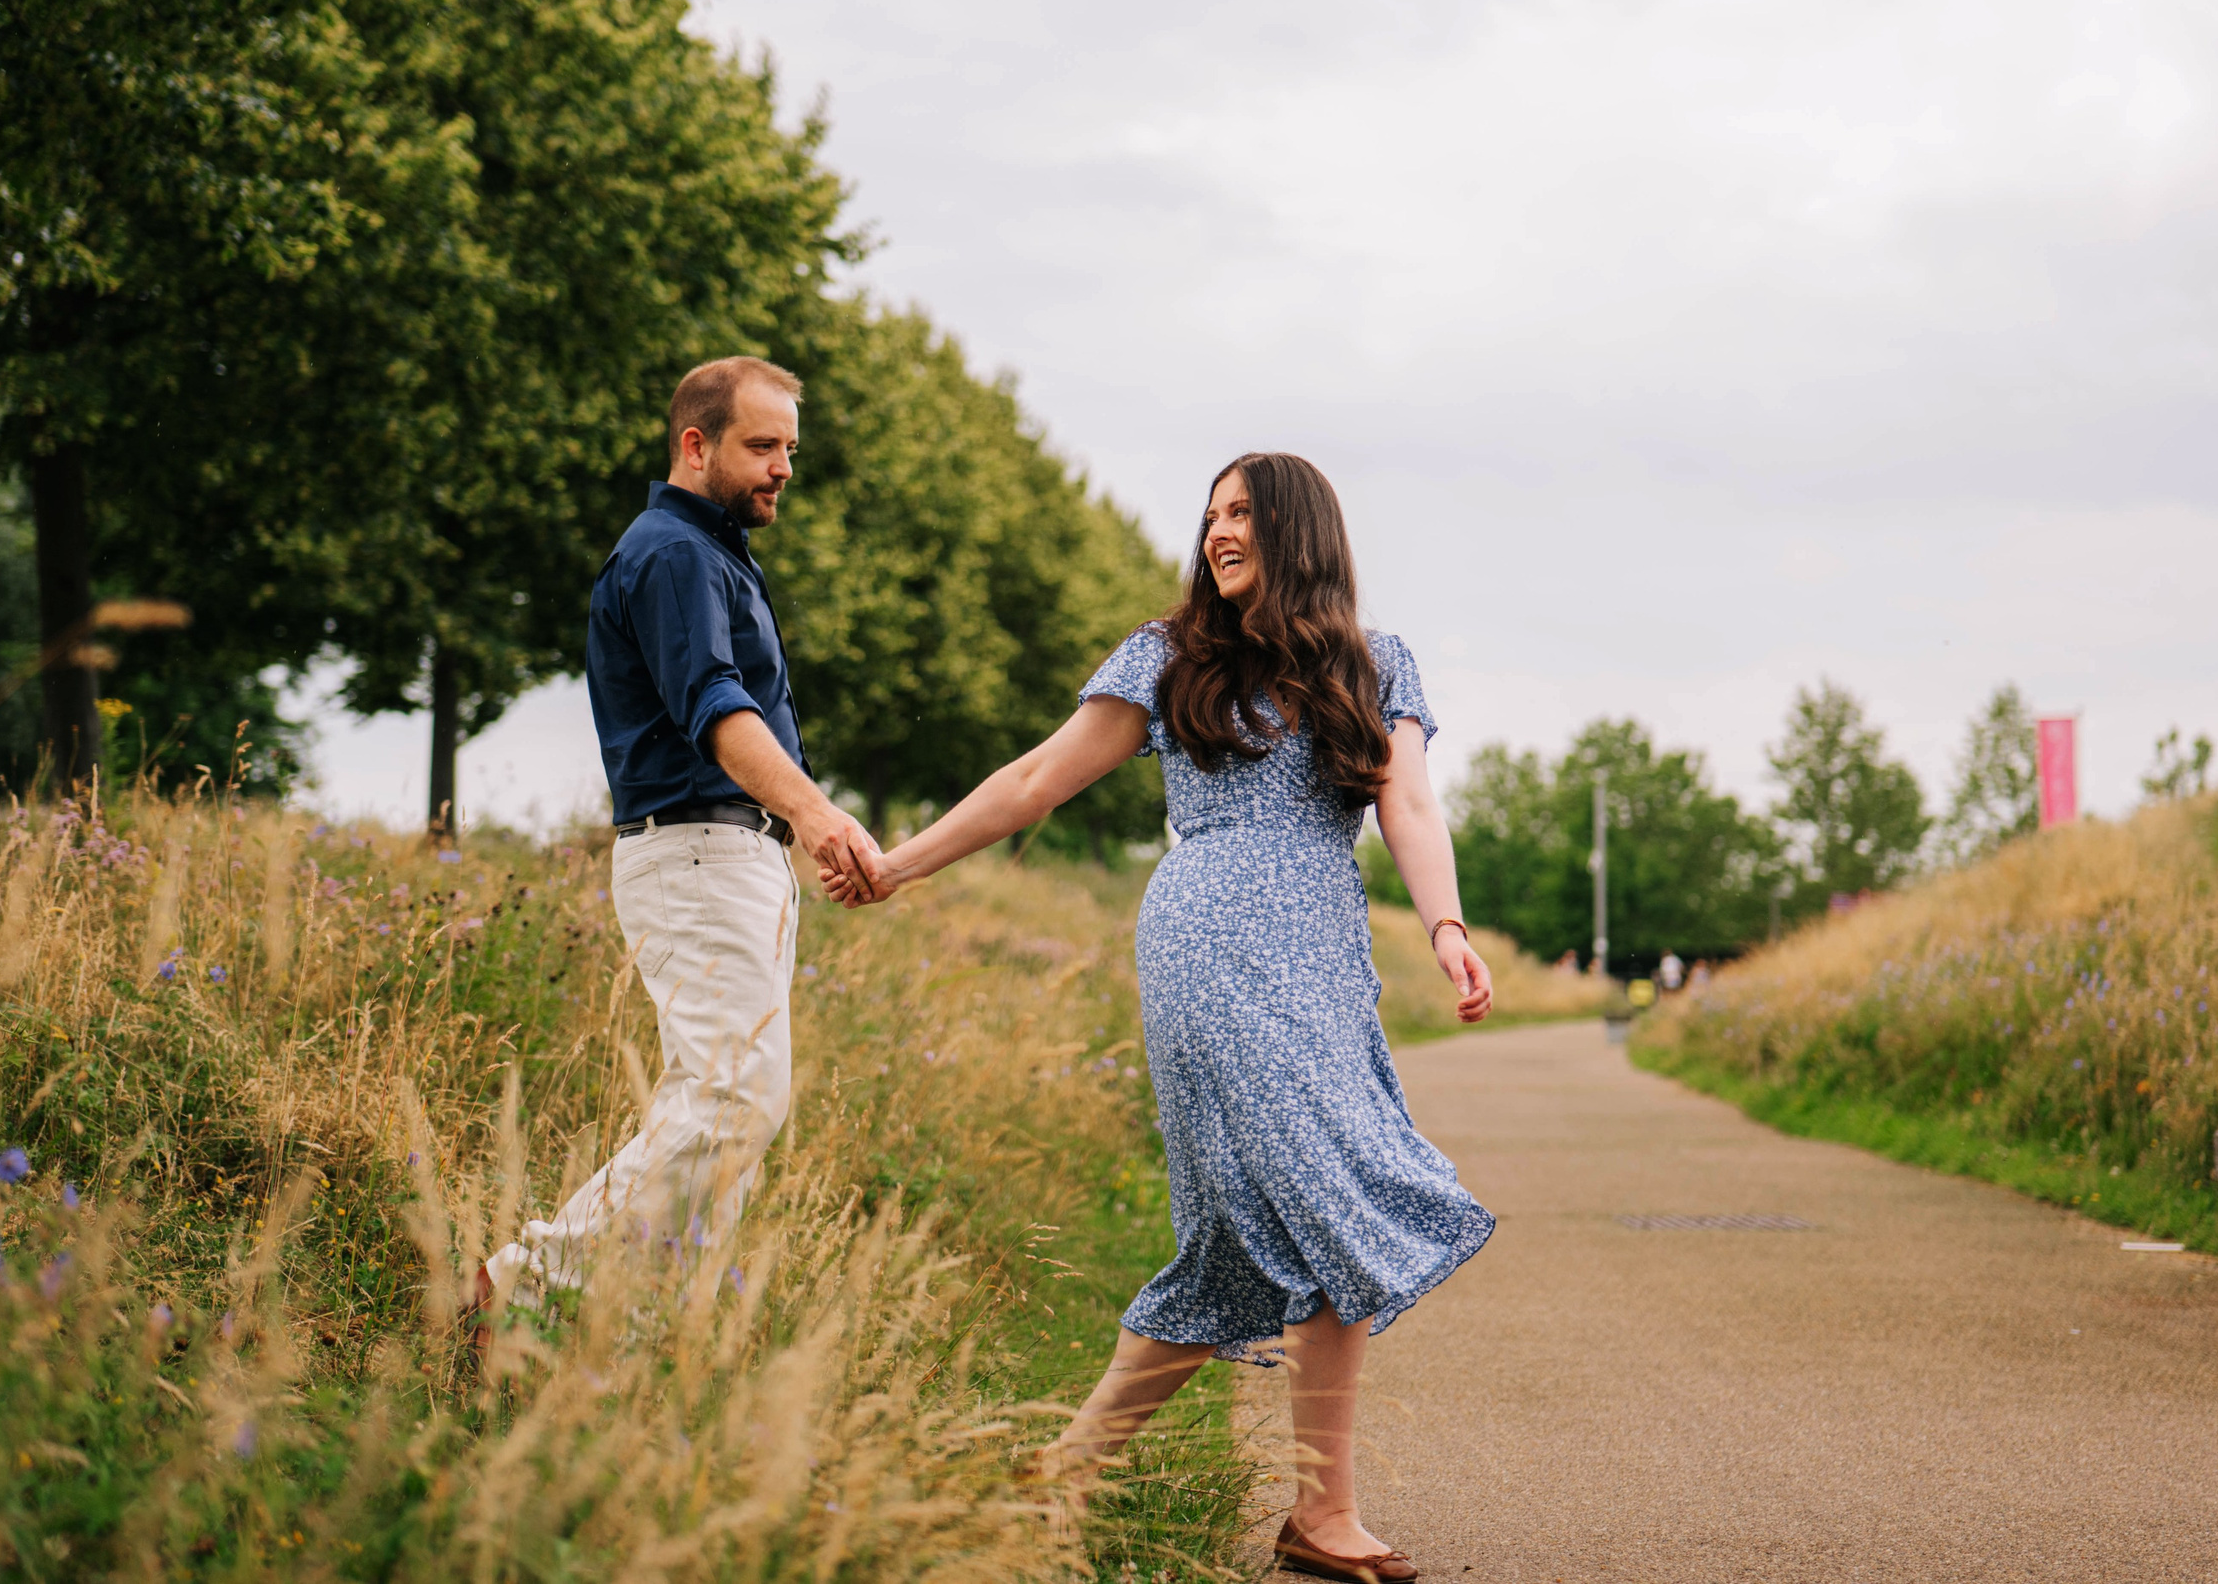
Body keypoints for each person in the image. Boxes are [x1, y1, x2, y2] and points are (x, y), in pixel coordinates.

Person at [828, 452, 1493, 1584]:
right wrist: (900, 864)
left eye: (1243, 514)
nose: (1219, 531)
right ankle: (1298, 1509)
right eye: (1212, 514)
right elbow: (1036, 780)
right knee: (1327, 1188)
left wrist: (1447, 926)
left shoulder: (1376, 662)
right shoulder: (1169, 654)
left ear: (1298, 530)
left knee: (1271, 1227)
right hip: (1208, 944)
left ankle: (1098, 1481)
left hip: (1323, 951)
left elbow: (1411, 803)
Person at [473, 356, 882, 1324]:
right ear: (696, 445)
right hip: (697, 851)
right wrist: (817, 813)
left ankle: (638, 1343)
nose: (783, 468)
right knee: (732, 1102)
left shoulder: (712, 552)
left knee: (725, 1116)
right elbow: (714, 706)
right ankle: (514, 1295)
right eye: (762, 446)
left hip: (730, 854)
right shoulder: (673, 553)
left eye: (790, 448)